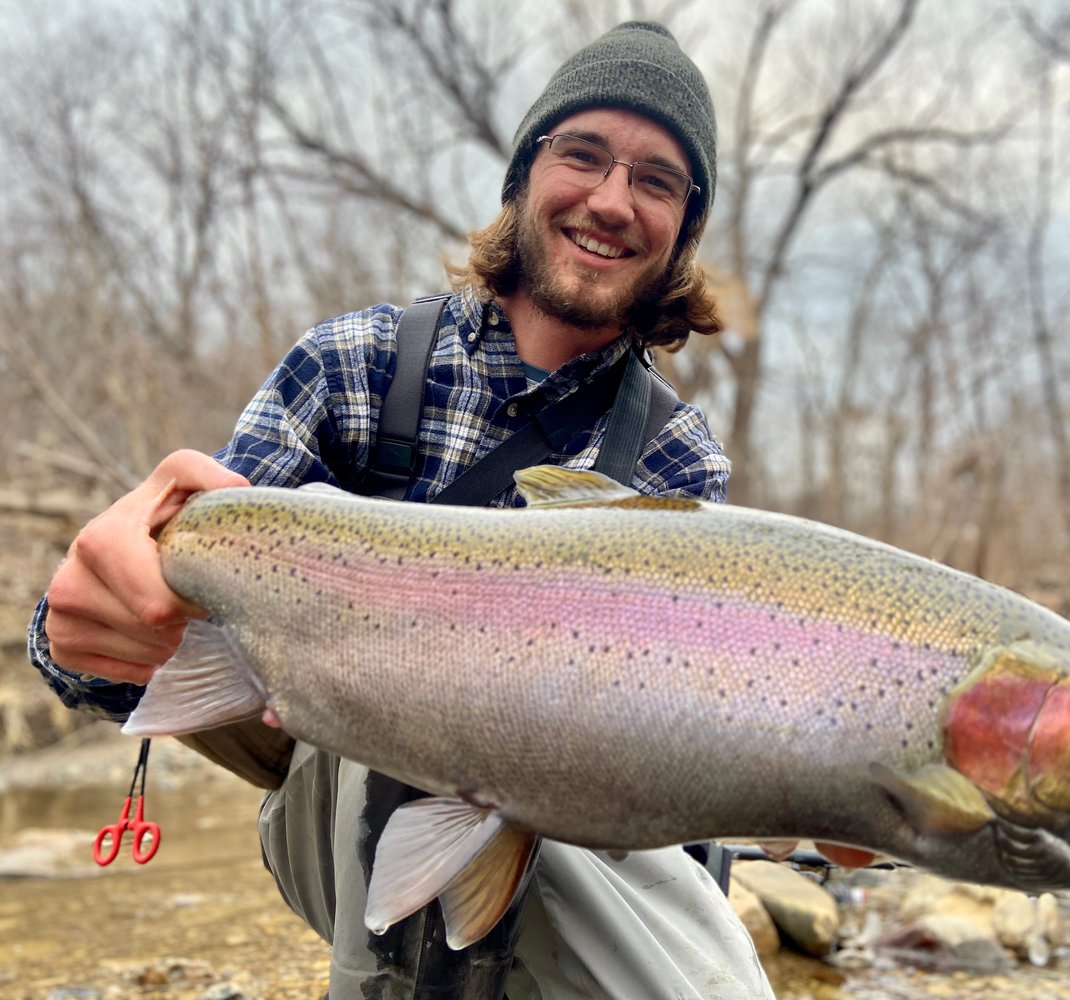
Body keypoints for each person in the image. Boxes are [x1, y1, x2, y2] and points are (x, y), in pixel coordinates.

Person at [29, 21, 776, 1000]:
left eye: (657, 180)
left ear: (683, 229)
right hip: (335, 791)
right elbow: (162, 609)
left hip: (568, 817)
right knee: (417, 692)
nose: (610, 199)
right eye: (582, 155)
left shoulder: (676, 456)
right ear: (523, 176)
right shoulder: (359, 365)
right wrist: (89, 628)